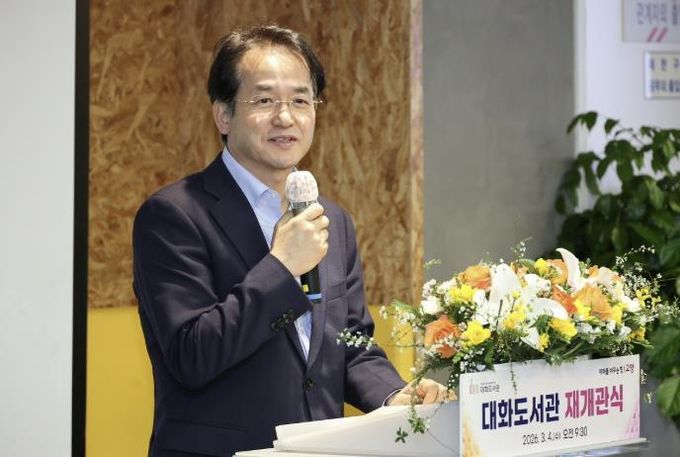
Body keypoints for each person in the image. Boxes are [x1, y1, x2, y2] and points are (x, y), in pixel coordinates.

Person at [133, 25, 447, 457]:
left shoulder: (332, 220)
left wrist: (394, 395)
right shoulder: (174, 215)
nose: (286, 117)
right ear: (223, 115)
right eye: (264, 100)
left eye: (301, 100)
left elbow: (349, 345)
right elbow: (192, 355)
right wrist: (281, 268)